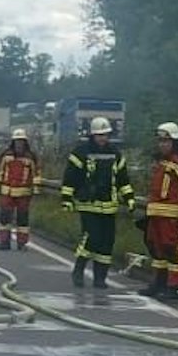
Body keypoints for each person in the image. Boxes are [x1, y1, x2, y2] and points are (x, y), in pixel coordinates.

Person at [59, 117, 133, 288]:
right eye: (99, 135)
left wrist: (129, 198)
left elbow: (123, 179)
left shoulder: (116, 154)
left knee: (107, 243)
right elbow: (70, 178)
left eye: (105, 135)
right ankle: (79, 270)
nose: (103, 138)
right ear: (92, 135)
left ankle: (100, 278)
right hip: (88, 204)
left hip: (109, 206)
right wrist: (67, 199)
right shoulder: (80, 153)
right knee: (92, 238)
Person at [139, 122, 178, 299]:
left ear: (175, 142)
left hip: (171, 216)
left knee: (172, 250)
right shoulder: (161, 163)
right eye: (160, 141)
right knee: (157, 250)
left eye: (166, 141)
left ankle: (176, 286)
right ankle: (160, 282)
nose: (162, 144)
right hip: (156, 215)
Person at [0, 129, 41, 251]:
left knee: (22, 219)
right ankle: (4, 242)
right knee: (4, 218)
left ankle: (22, 243)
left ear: (25, 142)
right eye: (17, 141)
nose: (19, 144)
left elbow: (36, 174)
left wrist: (36, 189)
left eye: (21, 141)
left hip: (24, 192)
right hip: (7, 191)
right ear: (13, 142)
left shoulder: (30, 157)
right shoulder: (6, 156)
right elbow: (0, 171)